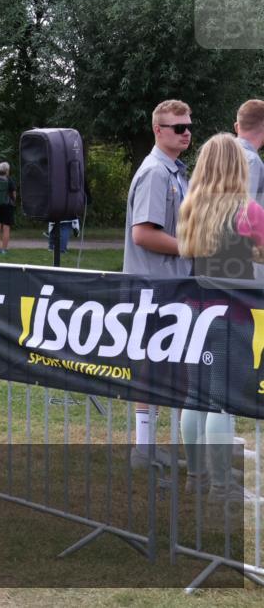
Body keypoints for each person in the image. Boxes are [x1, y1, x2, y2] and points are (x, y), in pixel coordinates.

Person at [177, 133, 264, 502]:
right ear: (237, 167)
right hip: (232, 314)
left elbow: (187, 252)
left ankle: (196, 476)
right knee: (222, 401)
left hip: (194, 312)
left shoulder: (191, 206)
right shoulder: (249, 211)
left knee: (195, 396)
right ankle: (221, 485)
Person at [123, 100, 193, 470]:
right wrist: (191, 247)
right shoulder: (155, 173)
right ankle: (143, 449)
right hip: (154, 287)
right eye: (178, 127)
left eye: (188, 126)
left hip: (172, 286)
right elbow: (143, 234)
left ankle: (157, 448)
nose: (186, 133)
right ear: (158, 130)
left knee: (172, 369)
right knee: (150, 367)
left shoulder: (176, 171)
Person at [234, 99, 264, 280]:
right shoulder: (251, 161)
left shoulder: (216, 155)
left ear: (237, 126)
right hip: (248, 266)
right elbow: (244, 217)